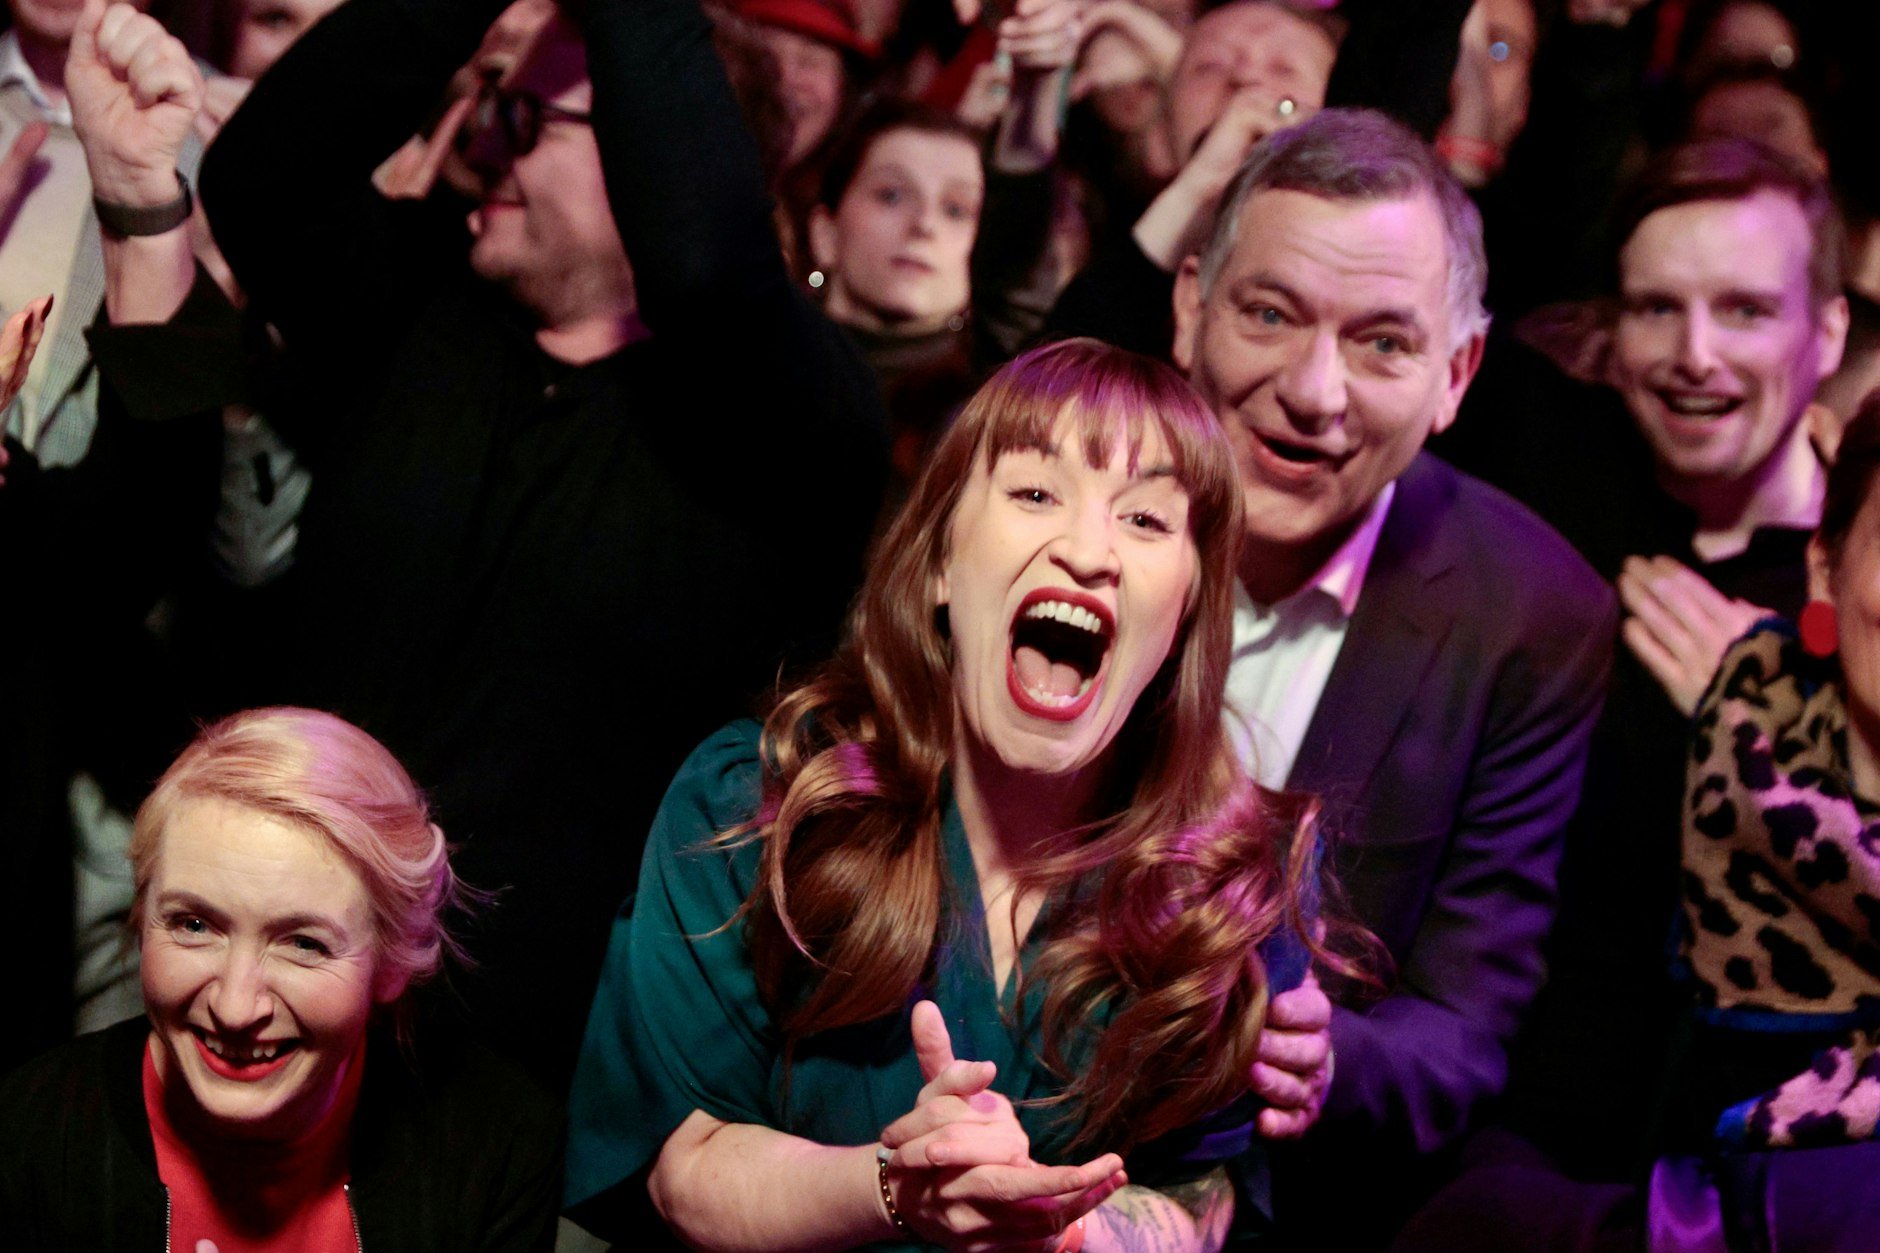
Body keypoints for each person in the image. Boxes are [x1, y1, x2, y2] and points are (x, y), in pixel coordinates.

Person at [197, 0, 888, 1088]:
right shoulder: (415, 304)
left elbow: (704, 267)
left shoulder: (779, 420)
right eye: (489, 107)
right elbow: (260, 175)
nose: (485, 145)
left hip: (548, 1081)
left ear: (652, 147)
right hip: (275, 1002)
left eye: (528, 119)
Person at [566, 338, 1329, 1250]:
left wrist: (1066, 1233)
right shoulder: (759, 807)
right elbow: (685, 1165)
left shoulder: (1233, 884)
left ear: (1187, 614)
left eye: (1145, 518)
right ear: (939, 565)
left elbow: (1202, 1190)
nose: (1087, 550)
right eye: (1036, 492)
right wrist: (899, 1184)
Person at [1166, 109, 1615, 1248]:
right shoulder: (1056, 499)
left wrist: (1327, 1059)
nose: (1314, 390)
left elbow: (1463, 1023)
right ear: (1189, 307)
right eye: (1270, 314)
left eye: (1381, 343)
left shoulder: (1528, 614)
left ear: (1455, 374)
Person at [0, 706, 564, 1250]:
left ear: (392, 965)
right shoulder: (30, 1137)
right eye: (194, 925)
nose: (235, 1008)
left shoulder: (498, 1147)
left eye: (303, 944)